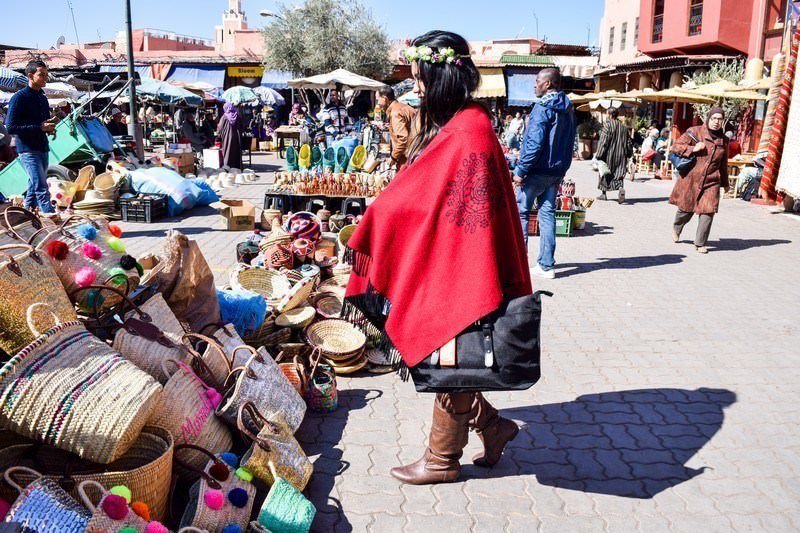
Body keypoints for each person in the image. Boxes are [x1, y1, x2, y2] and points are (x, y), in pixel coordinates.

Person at [344, 30, 532, 485]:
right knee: (453, 351)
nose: (418, 89)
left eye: (422, 80)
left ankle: (442, 460)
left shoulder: (469, 130)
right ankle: (492, 426)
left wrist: (382, 214)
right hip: (460, 261)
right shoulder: (464, 122)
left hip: (466, 267)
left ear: (442, 77)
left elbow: (436, 201)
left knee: (452, 352)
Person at [513, 67, 577, 279]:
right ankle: (546, 265)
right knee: (547, 214)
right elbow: (570, 142)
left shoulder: (542, 108)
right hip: (555, 171)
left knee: (521, 213)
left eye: (537, 80)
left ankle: (518, 266)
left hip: (536, 171)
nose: (534, 84)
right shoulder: (568, 108)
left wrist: (520, 170)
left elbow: (533, 144)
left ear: (548, 84)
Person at [669, 107, 729, 254]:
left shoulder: (724, 140)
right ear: (708, 119)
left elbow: (723, 163)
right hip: (692, 179)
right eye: (714, 118)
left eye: (719, 119)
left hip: (712, 181)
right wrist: (693, 148)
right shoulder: (694, 131)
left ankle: (700, 243)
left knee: (708, 211)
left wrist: (725, 183)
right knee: (686, 210)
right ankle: (677, 227)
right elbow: (675, 147)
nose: (716, 122)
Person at [6, 60, 54, 213]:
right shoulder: (19, 98)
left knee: (33, 187)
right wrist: (40, 127)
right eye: (42, 75)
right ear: (30, 75)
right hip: (28, 149)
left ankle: (26, 217)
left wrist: (50, 127)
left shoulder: (42, 98)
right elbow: (11, 127)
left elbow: (44, 122)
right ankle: (53, 221)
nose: (45, 78)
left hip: (43, 147)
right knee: (41, 188)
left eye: (46, 75)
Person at [596, 107, 632, 203]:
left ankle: (604, 194)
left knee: (605, 172)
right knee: (619, 173)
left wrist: (599, 155)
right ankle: (620, 188)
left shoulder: (608, 126)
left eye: (607, 114)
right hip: (621, 155)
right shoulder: (624, 128)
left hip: (608, 155)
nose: (607, 116)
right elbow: (629, 143)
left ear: (610, 115)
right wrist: (629, 154)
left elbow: (603, 142)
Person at [377, 85, 416, 168]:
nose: (378, 104)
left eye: (378, 100)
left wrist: (393, 157)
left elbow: (403, 138)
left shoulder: (395, 113)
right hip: (415, 155)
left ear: (385, 99)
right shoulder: (405, 107)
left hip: (406, 159)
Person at [217, 102, 242, 169]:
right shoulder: (237, 116)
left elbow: (220, 127)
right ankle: (236, 166)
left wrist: (218, 135)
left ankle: (227, 166)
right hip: (237, 137)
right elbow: (241, 126)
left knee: (227, 151)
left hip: (227, 137)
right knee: (236, 151)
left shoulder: (224, 117)